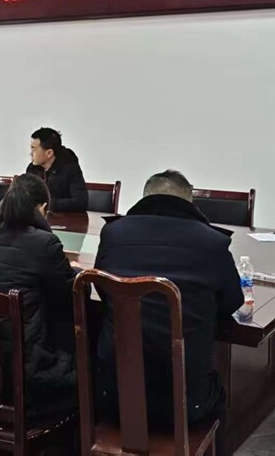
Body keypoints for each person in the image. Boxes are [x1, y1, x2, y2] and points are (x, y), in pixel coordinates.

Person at [94, 170, 242, 444]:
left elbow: (103, 288)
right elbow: (232, 302)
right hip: (187, 401)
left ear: (145, 198)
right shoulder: (213, 242)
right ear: (189, 202)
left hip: (114, 396)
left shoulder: (113, 233)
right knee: (219, 391)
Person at [0, 174, 78, 419]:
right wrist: (78, 274)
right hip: (27, 370)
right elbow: (71, 297)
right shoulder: (45, 243)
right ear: (42, 209)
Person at [25, 127, 88, 212]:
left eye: (33, 149)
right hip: (39, 217)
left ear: (49, 153)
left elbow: (80, 202)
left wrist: (48, 204)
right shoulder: (32, 168)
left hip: (64, 218)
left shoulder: (70, 168)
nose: (30, 153)